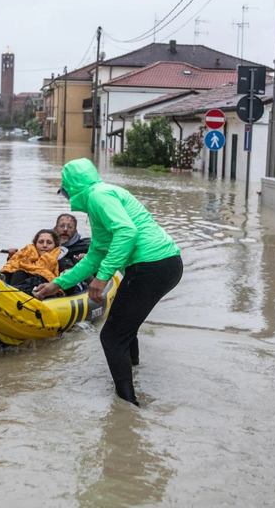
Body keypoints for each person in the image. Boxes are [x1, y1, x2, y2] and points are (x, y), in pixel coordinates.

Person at [34, 158, 183, 406]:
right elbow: (94, 256)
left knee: (111, 337)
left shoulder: (98, 197)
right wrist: (57, 284)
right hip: (164, 264)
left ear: (72, 187)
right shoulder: (101, 198)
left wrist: (102, 278)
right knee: (125, 326)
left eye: (65, 191)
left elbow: (127, 232)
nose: (66, 197)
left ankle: (127, 406)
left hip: (152, 266)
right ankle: (133, 370)